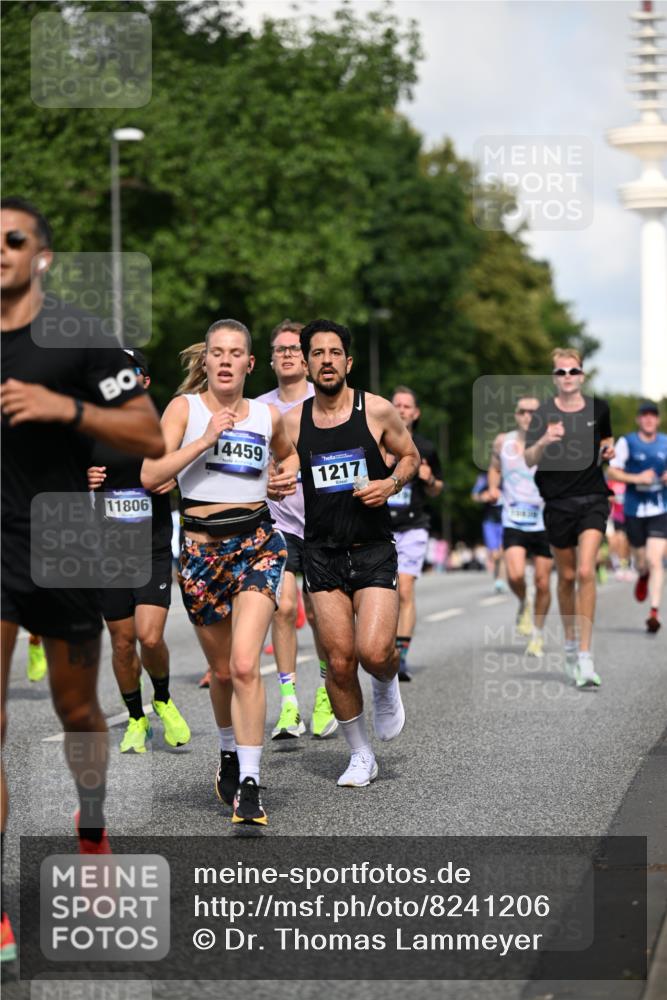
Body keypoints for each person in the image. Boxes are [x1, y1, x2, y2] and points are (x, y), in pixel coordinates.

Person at [1, 197, 164, 960]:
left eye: (13, 238)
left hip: (64, 542)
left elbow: (147, 429)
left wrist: (63, 408)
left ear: (42, 256)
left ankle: (91, 830)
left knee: (77, 714)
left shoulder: (77, 335)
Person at [141, 319, 299, 826]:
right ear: (205, 361)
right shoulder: (183, 410)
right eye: (217, 352)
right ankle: (229, 752)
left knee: (249, 664)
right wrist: (205, 440)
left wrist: (282, 476)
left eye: (236, 353)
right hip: (201, 552)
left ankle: (250, 783)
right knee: (225, 672)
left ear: (251, 364)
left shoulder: (266, 414)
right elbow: (150, 476)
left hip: (257, 544)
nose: (226, 360)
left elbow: (288, 455)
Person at [282, 319, 420, 788]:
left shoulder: (376, 411)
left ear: (348, 362)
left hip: (372, 549)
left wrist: (391, 483)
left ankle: (384, 683)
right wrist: (275, 482)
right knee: (339, 662)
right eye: (316, 353)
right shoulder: (292, 421)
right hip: (321, 553)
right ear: (305, 363)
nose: (326, 360)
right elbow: (279, 470)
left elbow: (410, 457)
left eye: (334, 352)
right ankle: (361, 755)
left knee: (374, 652)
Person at [87, 349, 190, 753]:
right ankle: (136, 717)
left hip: (151, 547)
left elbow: (190, 463)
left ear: (144, 381)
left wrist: (176, 475)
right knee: (123, 642)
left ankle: (162, 697)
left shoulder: (163, 426)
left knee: (149, 637)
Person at [256, 319, 337, 738]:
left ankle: (327, 693)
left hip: (323, 524)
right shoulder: (258, 409)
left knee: (325, 618)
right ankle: (289, 704)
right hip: (277, 523)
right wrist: (263, 482)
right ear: (270, 360)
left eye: (294, 348)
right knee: (284, 607)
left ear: (307, 360)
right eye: (280, 349)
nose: (287, 353)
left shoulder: (324, 401)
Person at [524, 348, 614, 688]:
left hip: (593, 497)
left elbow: (606, 436)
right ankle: (572, 644)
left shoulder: (599, 407)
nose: (567, 378)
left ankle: (587, 657)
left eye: (573, 371)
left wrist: (609, 447)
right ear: (554, 377)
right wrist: (546, 438)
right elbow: (530, 458)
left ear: (582, 375)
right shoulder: (543, 413)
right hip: (557, 502)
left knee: (587, 571)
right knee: (567, 577)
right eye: (560, 373)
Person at [487, 396, 553, 657]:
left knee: (543, 582)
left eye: (533, 412)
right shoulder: (503, 441)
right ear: (516, 415)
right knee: (514, 575)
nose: (528, 416)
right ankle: (525, 601)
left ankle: (537, 634)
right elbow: (494, 469)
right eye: (522, 411)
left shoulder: (551, 443)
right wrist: (493, 487)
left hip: (545, 520)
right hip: (513, 518)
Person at [388, 386, 443, 681]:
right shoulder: (378, 442)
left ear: (416, 413)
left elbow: (438, 490)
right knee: (384, 593)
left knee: (405, 588)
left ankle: (401, 657)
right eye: (396, 404)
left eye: (407, 406)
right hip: (380, 527)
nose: (401, 409)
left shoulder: (426, 448)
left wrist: (429, 478)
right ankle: (383, 650)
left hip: (413, 526)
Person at [608, 400, 667, 633]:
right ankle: (642, 575)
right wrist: (637, 478)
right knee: (642, 563)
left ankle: (654, 612)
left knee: (656, 560)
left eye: (653, 415)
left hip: (660, 508)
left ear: (658, 419)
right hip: (634, 511)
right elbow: (611, 471)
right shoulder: (627, 442)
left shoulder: (665, 442)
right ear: (638, 419)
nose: (649, 419)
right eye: (644, 415)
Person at [471, 472, 507, 591]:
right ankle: (498, 578)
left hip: (505, 520)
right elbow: (474, 495)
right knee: (495, 555)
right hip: (490, 521)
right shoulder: (483, 478)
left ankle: (501, 580)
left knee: (502, 552)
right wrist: (483, 497)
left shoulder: (508, 476)